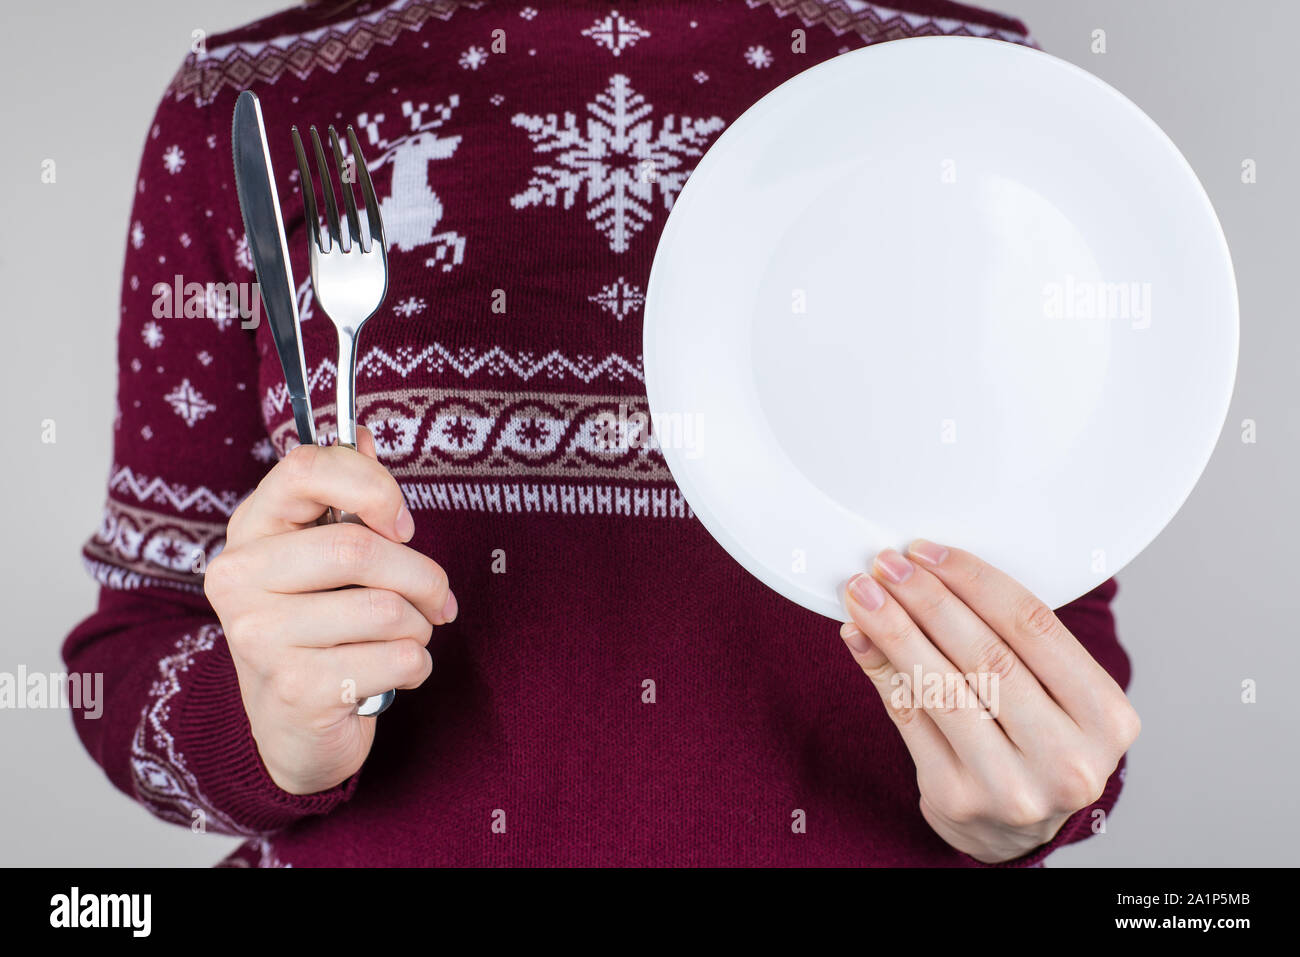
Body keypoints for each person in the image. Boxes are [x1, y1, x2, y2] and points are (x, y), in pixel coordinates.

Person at [63, 0, 1138, 866]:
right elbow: (123, 669)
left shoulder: (985, 95)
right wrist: (261, 732)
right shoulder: (247, 102)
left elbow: (1060, 651)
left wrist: (1023, 806)